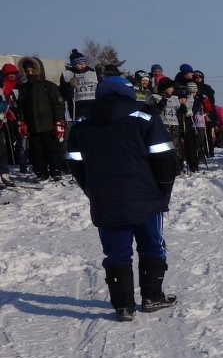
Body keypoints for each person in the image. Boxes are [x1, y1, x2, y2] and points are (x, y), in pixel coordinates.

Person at [64, 75, 178, 321]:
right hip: (146, 198)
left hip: (105, 201)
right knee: (152, 246)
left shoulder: (82, 123)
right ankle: (152, 296)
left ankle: (123, 306)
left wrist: (91, 189)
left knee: (116, 253)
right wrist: (163, 190)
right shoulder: (145, 117)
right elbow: (165, 158)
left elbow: (73, 160)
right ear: (129, 94)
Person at [17, 57, 67, 181]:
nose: (30, 73)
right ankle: (41, 172)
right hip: (33, 125)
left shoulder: (50, 87)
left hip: (49, 124)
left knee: (53, 149)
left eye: (32, 70)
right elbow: (21, 107)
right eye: (27, 70)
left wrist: (59, 122)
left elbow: (58, 105)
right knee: (36, 152)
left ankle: (56, 171)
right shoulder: (24, 88)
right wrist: (21, 121)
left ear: (38, 70)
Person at [61, 49, 99, 124]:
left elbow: (100, 86)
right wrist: (69, 86)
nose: (82, 65)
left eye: (84, 63)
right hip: (76, 108)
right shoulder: (67, 74)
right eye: (79, 64)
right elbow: (62, 91)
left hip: (92, 105)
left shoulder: (92, 72)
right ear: (73, 64)